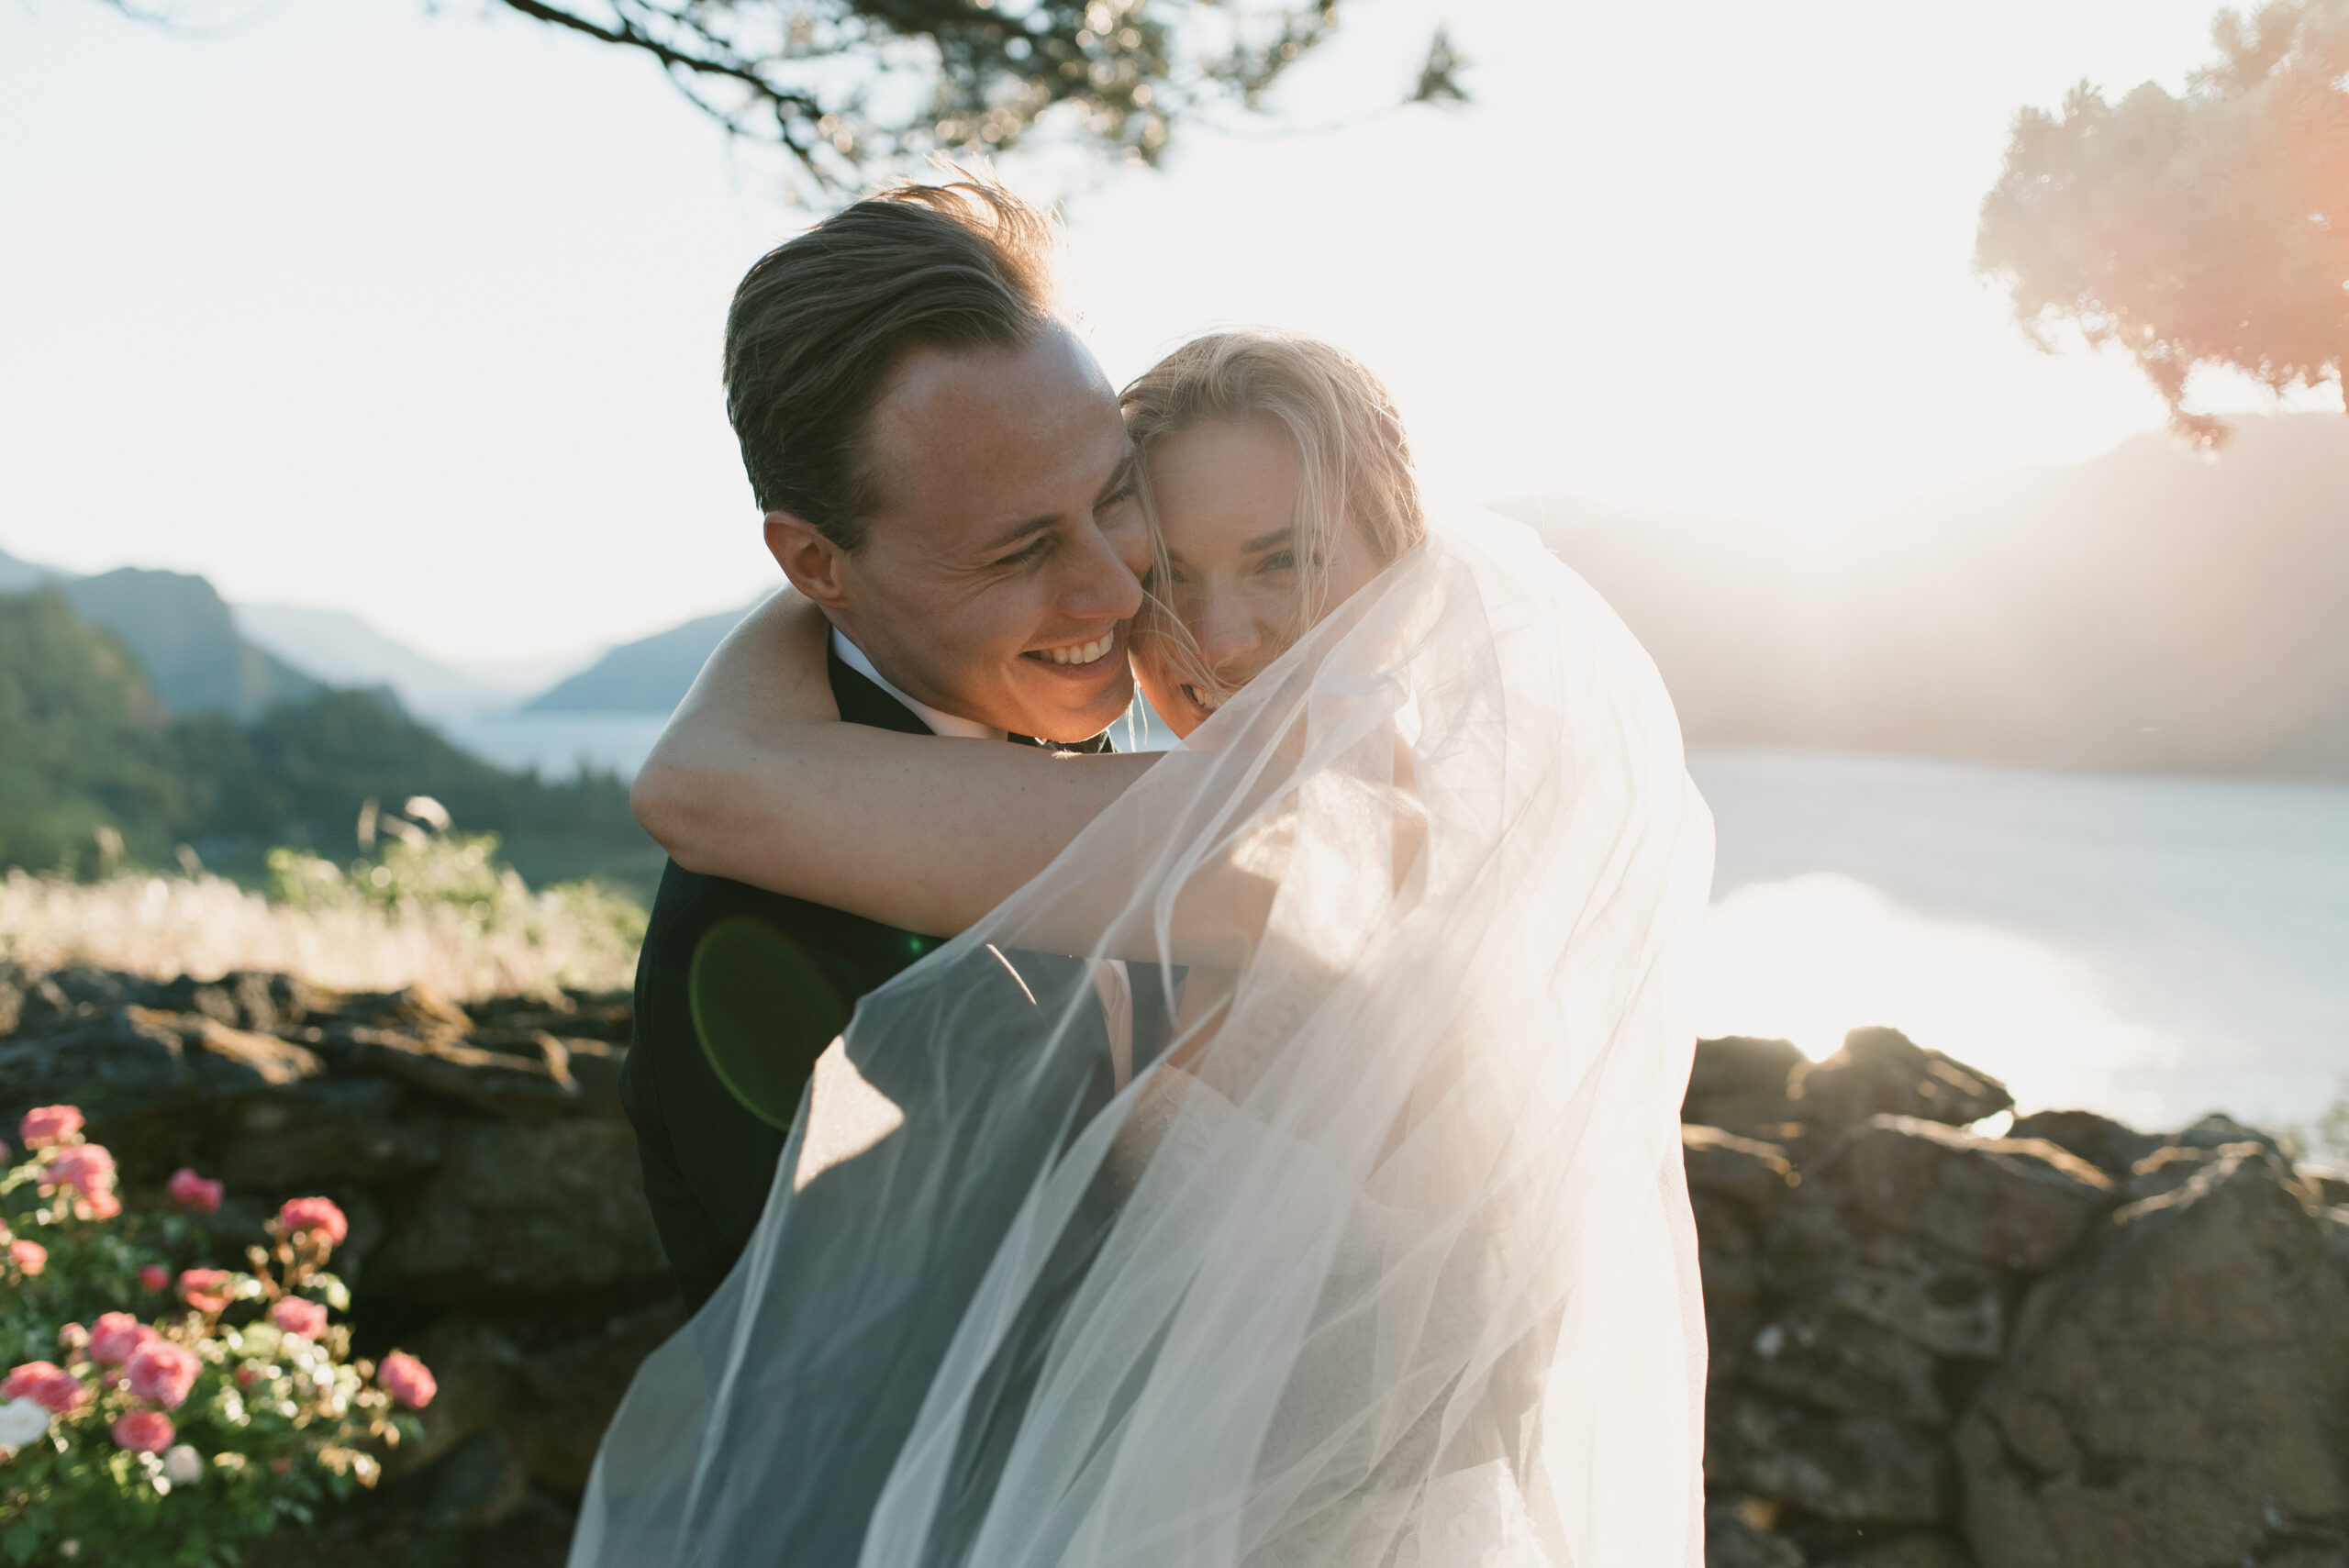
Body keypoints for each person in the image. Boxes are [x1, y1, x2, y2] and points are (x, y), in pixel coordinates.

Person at [579, 321, 1719, 1567]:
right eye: (1170, 575)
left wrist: (815, 604)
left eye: (1283, 561)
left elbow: (716, 782)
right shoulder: (1151, 841)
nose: (1220, 638)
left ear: (1400, 565)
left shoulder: (1349, 857)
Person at [618, 179, 1158, 1313]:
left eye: (1116, 496)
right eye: (1020, 551)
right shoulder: (752, 946)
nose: (1114, 587)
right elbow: (903, 1402)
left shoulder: (1130, 703)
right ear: (818, 567)